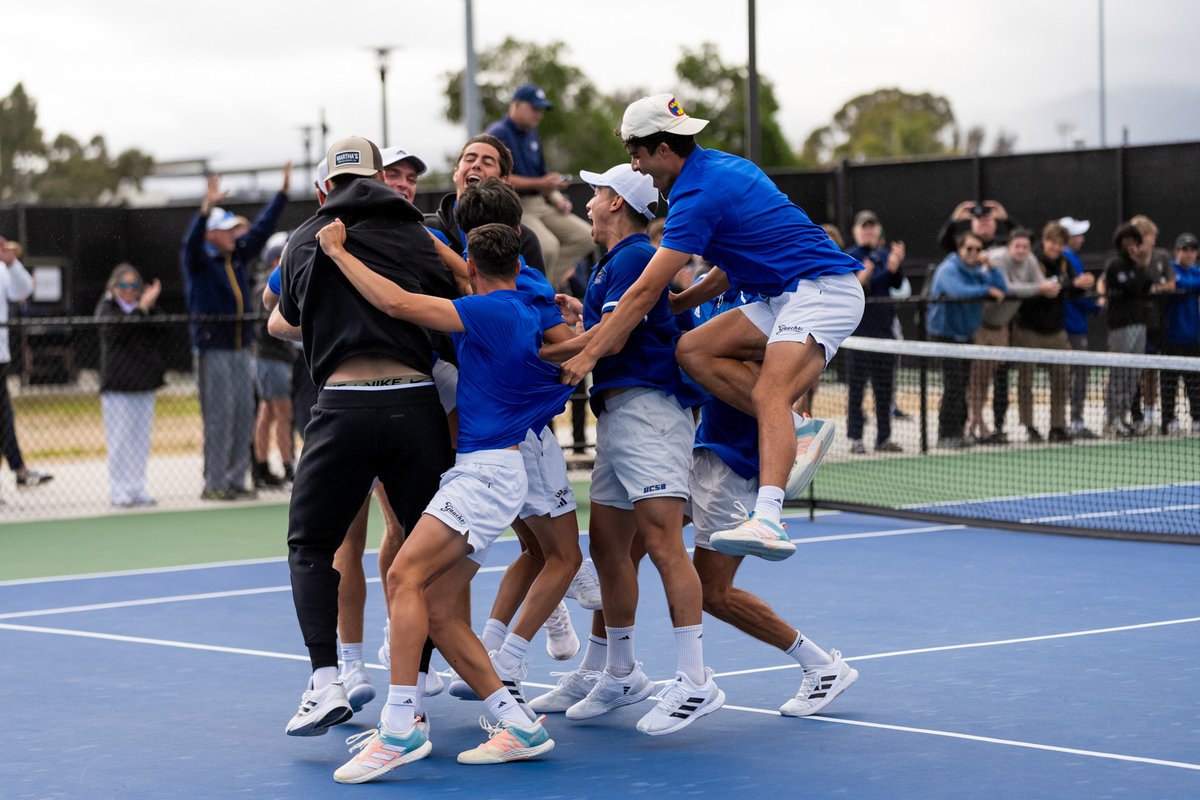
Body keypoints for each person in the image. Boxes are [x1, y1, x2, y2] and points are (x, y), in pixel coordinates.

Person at [319, 221, 568, 781]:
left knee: (403, 577)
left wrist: (336, 250)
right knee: (435, 609)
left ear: (472, 270)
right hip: (491, 474)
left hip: (484, 475)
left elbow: (396, 302)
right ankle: (521, 726)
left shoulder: (492, 311)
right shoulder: (528, 302)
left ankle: (400, 727)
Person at [561, 94, 858, 558]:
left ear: (663, 148)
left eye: (636, 154)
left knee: (769, 393)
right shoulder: (718, 169)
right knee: (693, 351)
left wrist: (587, 355)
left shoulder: (698, 194)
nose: (635, 167)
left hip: (822, 290)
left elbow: (642, 292)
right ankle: (795, 428)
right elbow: (727, 263)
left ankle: (769, 520)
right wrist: (681, 304)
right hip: (783, 294)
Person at [270, 136, 456, 742]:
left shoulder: (305, 239)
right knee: (423, 554)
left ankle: (327, 680)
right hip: (415, 406)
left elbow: (286, 318)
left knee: (310, 545)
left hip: (344, 407)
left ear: (325, 189)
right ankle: (415, 694)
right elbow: (454, 301)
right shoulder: (416, 236)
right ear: (380, 178)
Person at [542, 162, 723, 736]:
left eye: (596, 194)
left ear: (617, 202)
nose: (588, 203)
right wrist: (581, 319)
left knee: (665, 543)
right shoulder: (613, 265)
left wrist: (560, 355)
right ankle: (621, 671)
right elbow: (613, 323)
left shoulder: (636, 258)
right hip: (619, 413)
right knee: (608, 548)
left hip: (650, 412)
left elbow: (617, 332)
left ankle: (695, 680)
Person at [444, 177, 585, 702]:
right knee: (565, 557)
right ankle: (506, 663)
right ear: (518, 229)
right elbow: (567, 349)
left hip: (489, 431)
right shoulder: (522, 285)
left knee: (532, 549)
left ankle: (492, 646)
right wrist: (595, 331)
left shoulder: (466, 272)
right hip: (521, 433)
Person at [181, 165, 289, 500]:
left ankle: (234, 480)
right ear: (211, 234)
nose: (234, 235)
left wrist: (282, 195)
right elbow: (190, 245)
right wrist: (204, 209)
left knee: (243, 415)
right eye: (226, 230)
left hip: (243, 348)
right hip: (214, 350)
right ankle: (214, 484)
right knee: (219, 418)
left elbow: (260, 231)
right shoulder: (201, 260)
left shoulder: (237, 257)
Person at [486, 84, 594, 288]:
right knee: (548, 247)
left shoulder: (531, 133)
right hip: (515, 205)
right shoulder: (498, 133)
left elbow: (540, 176)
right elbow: (497, 177)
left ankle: (546, 288)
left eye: (542, 109)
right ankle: (541, 295)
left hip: (540, 203)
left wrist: (556, 196)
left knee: (586, 236)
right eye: (535, 108)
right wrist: (542, 183)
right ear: (516, 105)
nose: (539, 114)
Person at [1010, 221, 1093, 443]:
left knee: (1062, 378)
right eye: (1051, 242)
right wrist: (1043, 289)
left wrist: (1081, 284)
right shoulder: (1032, 260)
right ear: (1044, 241)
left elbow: (1071, 291)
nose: (1055, 247)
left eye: (1059, 243)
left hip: (1056, 331)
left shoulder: (1065, 262)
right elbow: (1025, 289)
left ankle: (1058, 426)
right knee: (1025, 380)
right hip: (1028, 329)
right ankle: (1029, 426)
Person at [926, 231, 1007, 447]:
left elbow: (1002, 289)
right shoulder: (948, 269)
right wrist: (986, 289)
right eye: (969, 249)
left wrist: (992, 267)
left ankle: (958, 432)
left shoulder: (978, 271)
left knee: (962, 385)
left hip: (966, 335)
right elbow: (957, 291)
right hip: (945, 335)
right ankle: (946, 435)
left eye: (977, 250)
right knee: (953, 384)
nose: (973, 253)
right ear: (959, 250)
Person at [94, 264, 164, 507]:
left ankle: (136, 487)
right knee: (120, 439)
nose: (128, 290)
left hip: (143, 384)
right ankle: (118, 489)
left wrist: (147, 307)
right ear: (113, 286)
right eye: (123, 285)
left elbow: (162, 330)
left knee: (140, 439)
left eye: (134, 285)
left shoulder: (146, 310)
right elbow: (117, 332)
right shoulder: (107, 308)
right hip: (118, 387)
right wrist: (141, 310)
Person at [424, 134, 545, 271]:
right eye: (469, 159)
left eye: (487, 163)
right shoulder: (426, 230)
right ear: (456, 173)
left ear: (503, 180)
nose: (476, 165)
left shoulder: (524, 238)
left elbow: (535, 291)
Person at [968, 229, 1042, 444]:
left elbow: (1043, 283)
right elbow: (1007, 288)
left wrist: (1040, 286)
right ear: (1009, 246)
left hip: (1001, 328)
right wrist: (1038, 288)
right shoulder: (998, 259)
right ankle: (976, 425)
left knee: (989, 379)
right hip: (980, 327)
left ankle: (981, 425)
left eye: (1025, 247)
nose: (1021, 250)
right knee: (976, 379)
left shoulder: (1030, 260)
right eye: (1017, 246)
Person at [843, 210, 905, 454]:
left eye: (872, 226)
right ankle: (856, 439)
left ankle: (884, 438)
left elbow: (897, 284)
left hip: (884, 333)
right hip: (858, 336)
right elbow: (851, 288)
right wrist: (865, 277)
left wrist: (894, 267)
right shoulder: (849, 256)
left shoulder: (884, 254)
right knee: (856, 389)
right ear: (856, 231)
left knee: (884, 390)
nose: (868, 230)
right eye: (863, 227)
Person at [0, 235, 52, 493]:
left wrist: (11, 263)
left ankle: (20, 472)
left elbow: (22, 291)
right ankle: (19, 470)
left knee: (4, 417)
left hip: (0, 357)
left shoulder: (2, 269)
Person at [1102, 223, 1153, 436]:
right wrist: (1137, 274)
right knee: (1119, 373)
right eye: (1127, 242)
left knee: (1133, 374)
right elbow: (1133, 287)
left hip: (1139, 325)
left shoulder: (1137, 267)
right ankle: (1112, 420)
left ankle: (1123, 418)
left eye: (1134, 242)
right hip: (1120, 327)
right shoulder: (1115, 265)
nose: (1131, 246)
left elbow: (1147, 284)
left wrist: (1139, 266)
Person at [251, 233, 294, 488]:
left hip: (275, 359)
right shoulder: (266, 288)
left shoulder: (274, 284)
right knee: (281, 411)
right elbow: (269, 326)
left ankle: (263, 469)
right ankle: (288, 469)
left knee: (268, 411)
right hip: (270, 359)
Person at [1128, 215, 1176, 430]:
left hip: (1157, 324)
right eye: (1151, 236)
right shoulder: (1126, 257)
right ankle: (1133, 416)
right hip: (1132, 324)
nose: (1154, 240)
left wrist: (1153, 289)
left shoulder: (1162, 257)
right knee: (1131, 370)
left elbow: (1171, 284)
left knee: (1152, 369)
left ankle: (1150, 414)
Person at [1059, 216, 1101, 439]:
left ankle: (1072, 421)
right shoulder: (1066, 259)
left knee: (1076, 376)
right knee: (1074, 376)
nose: (1082, 239)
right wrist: (1096, 306)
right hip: (1071, 327)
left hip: (1076, 325)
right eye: (1077, 234)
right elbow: (1075, 294)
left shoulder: (1071, 258)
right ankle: (1071, 422)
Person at [1161, 232, 1200, 433]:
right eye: (1185, 250)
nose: (1189, 254)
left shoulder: (1196, 271)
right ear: (1177, 252)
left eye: (1193, 250)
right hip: (1171, 336)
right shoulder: (1171, 270)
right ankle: (1168, 420)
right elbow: (1177, 284)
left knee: (1194, 381)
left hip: (1193, 336)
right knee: (1169, 382)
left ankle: (1197, 419)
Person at [936, 199, 1018, 252]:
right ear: (972, 225)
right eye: (979, 220)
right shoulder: (964, 247)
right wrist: (954, 220)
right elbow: (945, 242)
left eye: (987, 219)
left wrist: (1007, 220)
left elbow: (1024, 240)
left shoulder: (1004, 246)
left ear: (995, 225)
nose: (983, 222)